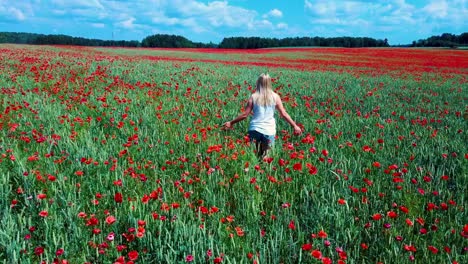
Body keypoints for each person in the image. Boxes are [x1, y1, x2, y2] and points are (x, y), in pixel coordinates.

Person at [222, 73, 303, 158]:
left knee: (255, 156)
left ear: (258, 82)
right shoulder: (275, 97)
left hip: (254, 129)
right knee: (266, 158)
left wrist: (231, 122)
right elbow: (283, 114)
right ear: (269, 83)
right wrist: (295, 125)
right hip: (269, 130)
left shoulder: (253, 96)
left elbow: (245, 115)